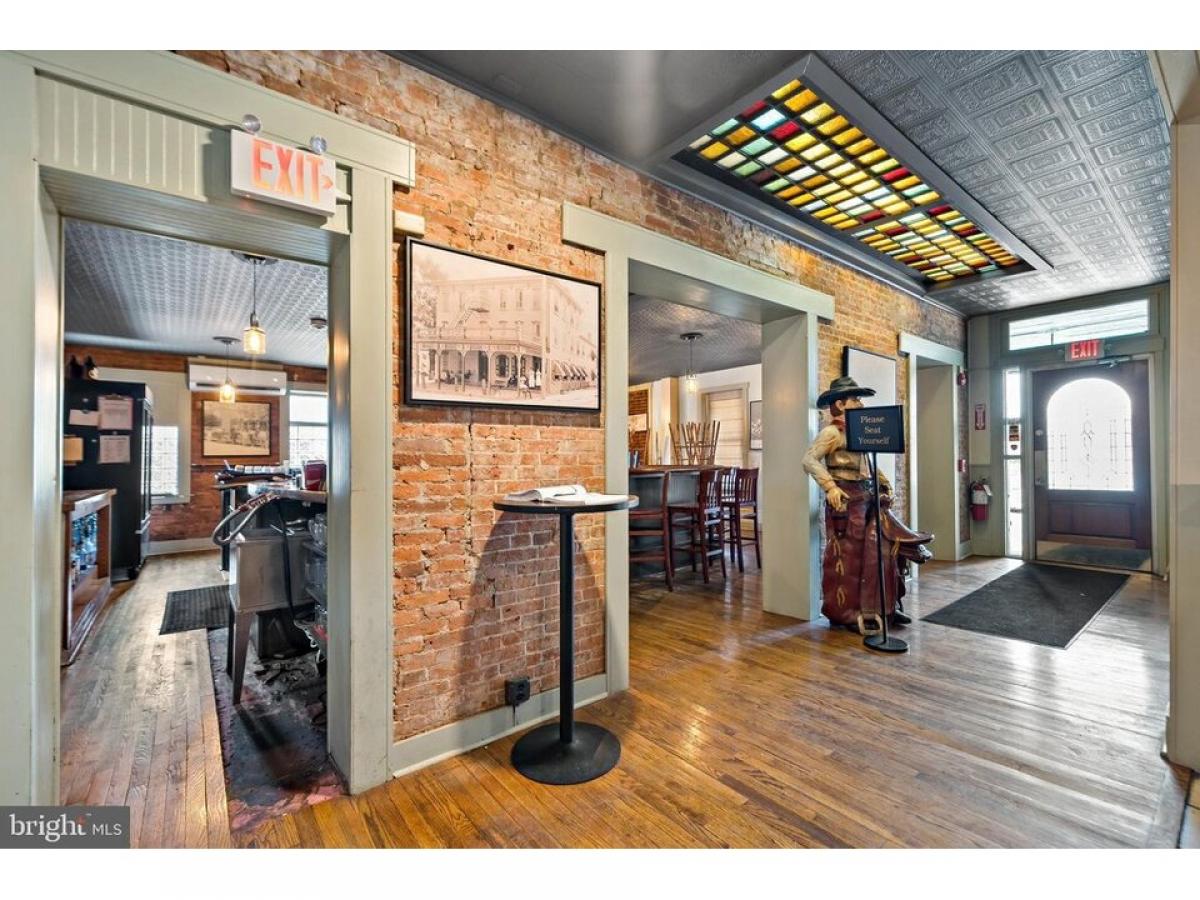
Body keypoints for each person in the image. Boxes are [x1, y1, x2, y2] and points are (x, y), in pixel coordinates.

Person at [802, 375, 912, 633]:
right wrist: (830, 487)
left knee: (878, 551)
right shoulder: (832, 433)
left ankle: (881, 606)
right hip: (847, 503)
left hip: (866, 497)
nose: (861, 404)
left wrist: (881, 480)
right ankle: (848, 612)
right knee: (849, 558)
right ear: (840, 404)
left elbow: (865, 464)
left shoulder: (858, 431)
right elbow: (809, 460)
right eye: (855, 399)